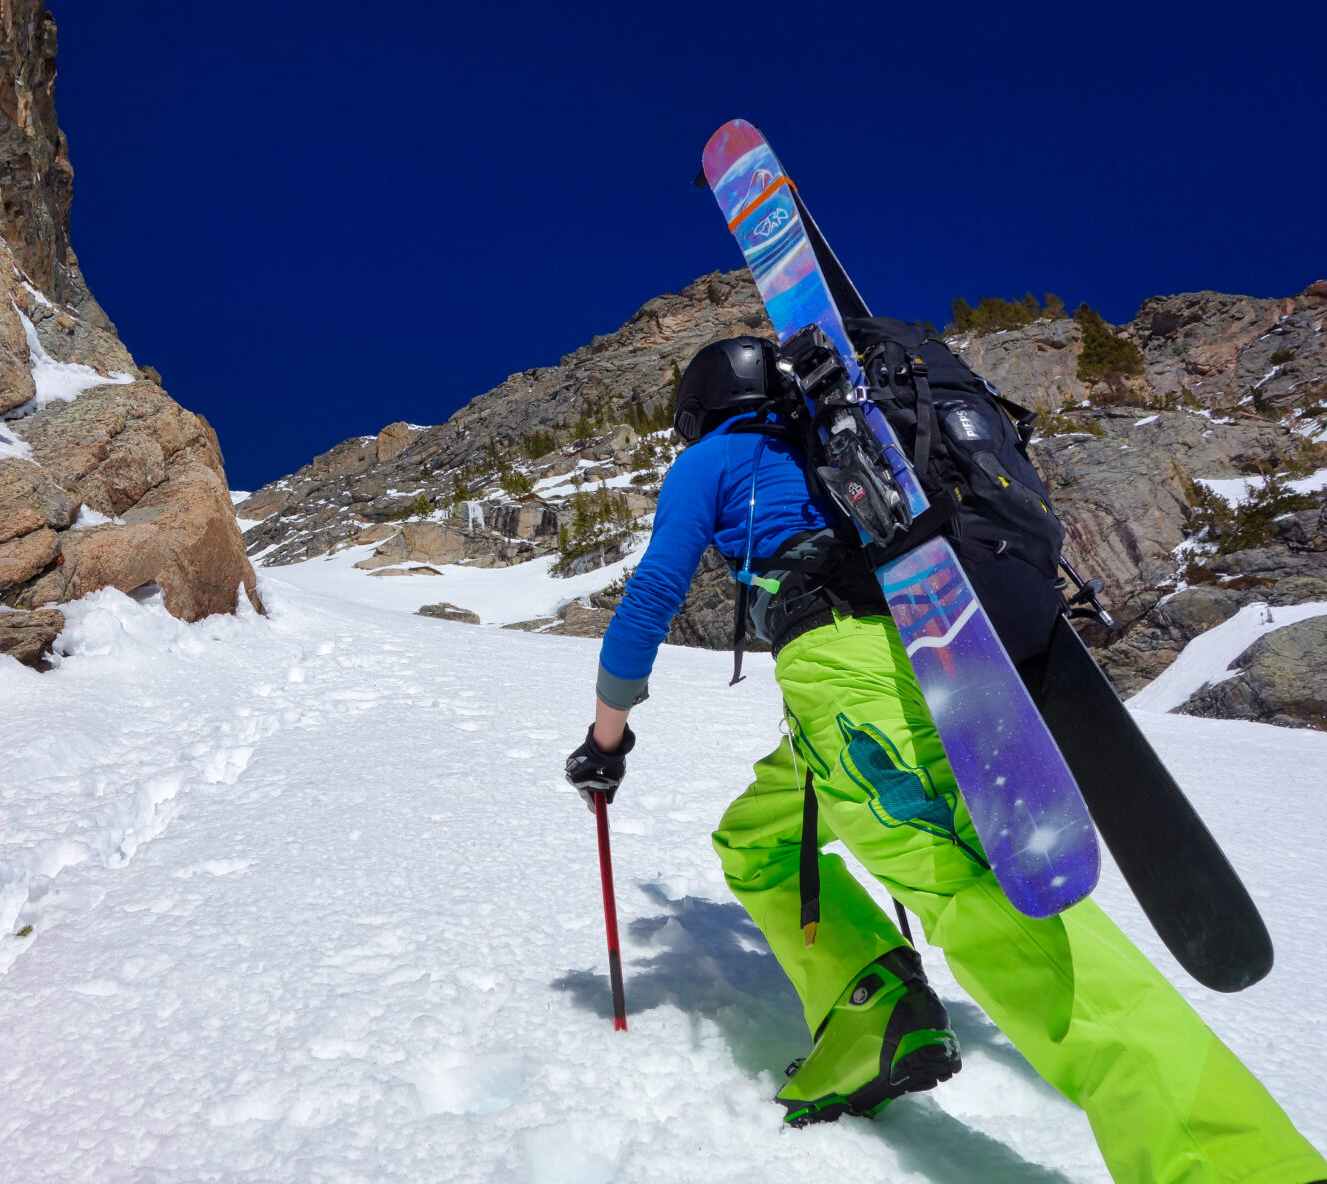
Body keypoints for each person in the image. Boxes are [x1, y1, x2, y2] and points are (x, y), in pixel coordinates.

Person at [563, 335, 1327, 1180]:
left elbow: (650, 602)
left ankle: (1235, 1165)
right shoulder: (834, 444)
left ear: (698, 411)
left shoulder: (714, 458)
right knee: (758, 840)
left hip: (844, 687)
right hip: (929, 655)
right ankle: (874, 1012)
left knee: (989, 909)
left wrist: (607, 741)